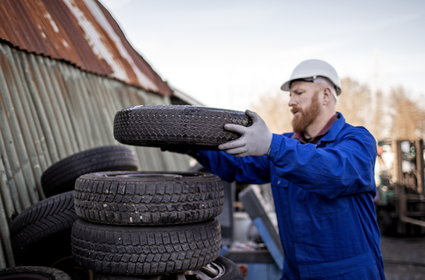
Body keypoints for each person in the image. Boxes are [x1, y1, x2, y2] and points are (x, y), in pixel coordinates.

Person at [183, 59, 385, 279]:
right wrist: (188, 143)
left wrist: (273, 145)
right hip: (295, 272)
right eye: (290, 95)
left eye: (299, 93)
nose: (291, 101)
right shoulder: (286, 146)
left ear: (326, 95)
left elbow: (334, 172)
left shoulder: (357, 140)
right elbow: (238, 165)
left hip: (348, 274)